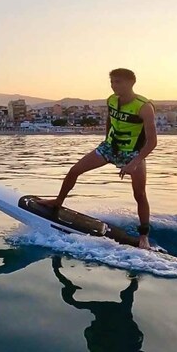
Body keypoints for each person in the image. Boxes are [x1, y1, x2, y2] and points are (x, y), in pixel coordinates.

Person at [38, 68, 158, 249]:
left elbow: (152, 142)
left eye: (118, 82)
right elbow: (110, 119)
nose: (114, 86)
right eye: (112, 82)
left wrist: (134, 163)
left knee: (139, 194)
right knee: (75, 170)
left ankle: (144, 237)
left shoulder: (144, 107)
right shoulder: (111, 100)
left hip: (133, 153)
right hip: (110, 147)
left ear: (131, 83)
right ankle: (58, 201)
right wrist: (106, 139)